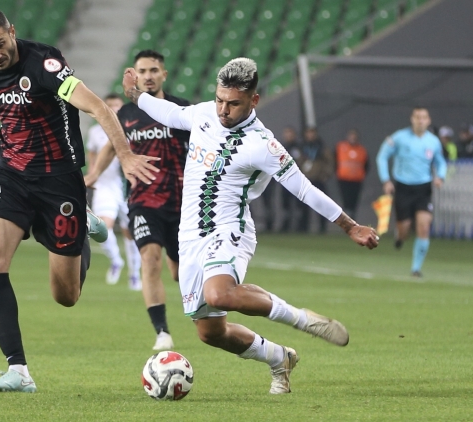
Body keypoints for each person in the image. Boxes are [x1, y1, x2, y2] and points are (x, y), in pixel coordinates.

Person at [121, 57, 379, 394]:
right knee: (210, 333)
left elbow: (304, 188)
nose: (223, 110)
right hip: (190, 236)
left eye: (233, 104)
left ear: (253, 100)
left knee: (219, 294)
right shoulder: (204, 114)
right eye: (220, 100)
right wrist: (135, 95)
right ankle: (279, 358)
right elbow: (169, 113)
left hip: (230, 229)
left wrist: (349, 225)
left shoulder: (264, 144)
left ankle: (302, 320)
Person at [0, 8, 158, 393]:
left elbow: (98, 106)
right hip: (11, 173)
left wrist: (126, 154)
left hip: (58, 180)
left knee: (65, 296)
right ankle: (19, 371)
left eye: (0, 44)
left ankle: (82, 225)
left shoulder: (44, 64)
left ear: (12, 31)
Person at [85, 50, 191, 351]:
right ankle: (162, 332)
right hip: (143, 200)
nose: (148, 76)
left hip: (182, 203)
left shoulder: (182, 110)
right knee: (150, 259)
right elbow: (110, 147)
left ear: (164, 74)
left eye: (154, 70)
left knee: (179, 272)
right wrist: (93, 174)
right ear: (136, 75)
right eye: (142, 71)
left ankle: (201, 311)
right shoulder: (126, 115)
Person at [376, 107, 447, 277]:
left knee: (424, 226)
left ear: (428, 120)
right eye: (417, 117)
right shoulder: (399, 137)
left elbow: (440, 162)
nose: (420, 120)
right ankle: (400, 236)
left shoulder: (433, 141)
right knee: (405, 228)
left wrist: (440, 177)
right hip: (403, 187)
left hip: (423, 188)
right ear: (412, 119)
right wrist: (386, 180)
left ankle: (416, 268)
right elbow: (382, 156)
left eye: (423, 117)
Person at [86, 93, 142, 290]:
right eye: (109, 106)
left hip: (126, 187)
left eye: (117, 106)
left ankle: (134, 274)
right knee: (102, 227)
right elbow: (92, 154)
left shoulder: (132, 128)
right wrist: (92, 174)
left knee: (131, 233)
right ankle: (116, 260)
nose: (113, 109)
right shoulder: (95, 132)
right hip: (104, 185)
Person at [298, 127, 334, 233]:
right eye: (308, 133)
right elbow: (298, 162)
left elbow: (330, 162)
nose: (310, 135)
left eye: (312, 133)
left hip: (318, 179)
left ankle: (322, 227)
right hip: (305, 180)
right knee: (304, 205)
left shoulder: (321, 147)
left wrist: (326, 175)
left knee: (321, 203)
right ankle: (303, 227)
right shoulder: (302, 147)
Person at [335, 128, 368, 220]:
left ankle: (352, 219)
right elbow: (335, 161)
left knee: (354, 201)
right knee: (346, 201)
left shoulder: (361, 150)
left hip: (357, 180)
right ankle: (346, 219)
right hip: (344, 179)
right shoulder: (340, 147)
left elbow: (366, 165)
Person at [279, 126, 303, 232]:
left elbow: (301, 160)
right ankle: (286, 225)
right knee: (285, 204)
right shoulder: (280, 147)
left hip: (296, 178)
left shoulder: (299, 147)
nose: (288, 136)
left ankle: (300, 226)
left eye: (290, 133)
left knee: (298, 203)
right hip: (284, 179)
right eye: (286, 133)